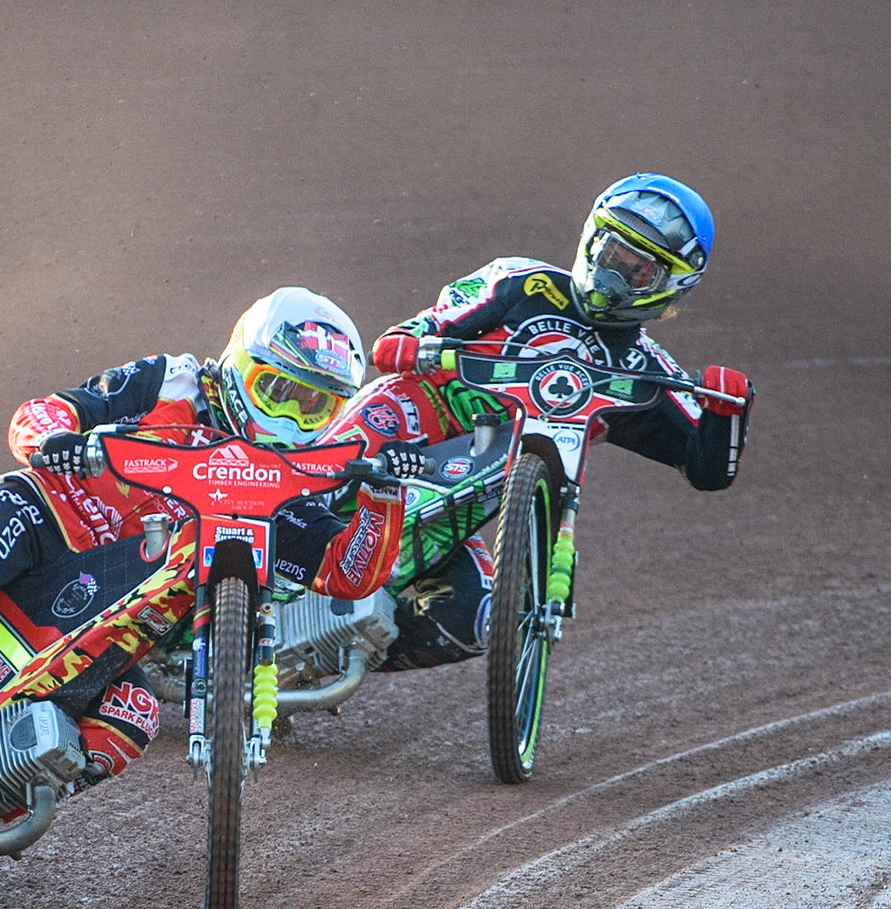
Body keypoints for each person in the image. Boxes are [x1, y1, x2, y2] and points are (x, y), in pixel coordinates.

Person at [0, 287, 427, 807]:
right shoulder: (173, 381)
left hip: (110, 628)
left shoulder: (286, 486)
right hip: (42, 525)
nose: (290, 417)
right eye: (278, 390)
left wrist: (384, 494)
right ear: (242, 362)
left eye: (314, 407)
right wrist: (59, 442)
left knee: (131, 720)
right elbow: (45, 412)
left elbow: (348, 573)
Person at [320, 172, 753, 671]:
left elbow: (707, 468)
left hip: (475, 487)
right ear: (593, 241)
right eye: (613, 256)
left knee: (477, 613)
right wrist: (410, 340)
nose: (614, 277)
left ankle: (329, 658)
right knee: (346, 450)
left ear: (670, 287)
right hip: (421, 412)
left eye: (637, 273)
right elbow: (430, 324)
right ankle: (252, 539)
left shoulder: (647, 372)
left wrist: (727, 410)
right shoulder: (525, 281)